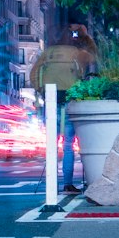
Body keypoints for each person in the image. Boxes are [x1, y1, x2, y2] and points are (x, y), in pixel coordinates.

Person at [29, 24, 99, 192]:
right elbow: (94, 56)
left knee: (52, 143)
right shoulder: (77, 54)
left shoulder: (48, 53)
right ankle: (67, 183)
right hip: (70, 100)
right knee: (68, 144)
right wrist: (85, 35)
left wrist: (42, 91)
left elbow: (33, 74)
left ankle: (51, 183)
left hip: (51, 101)